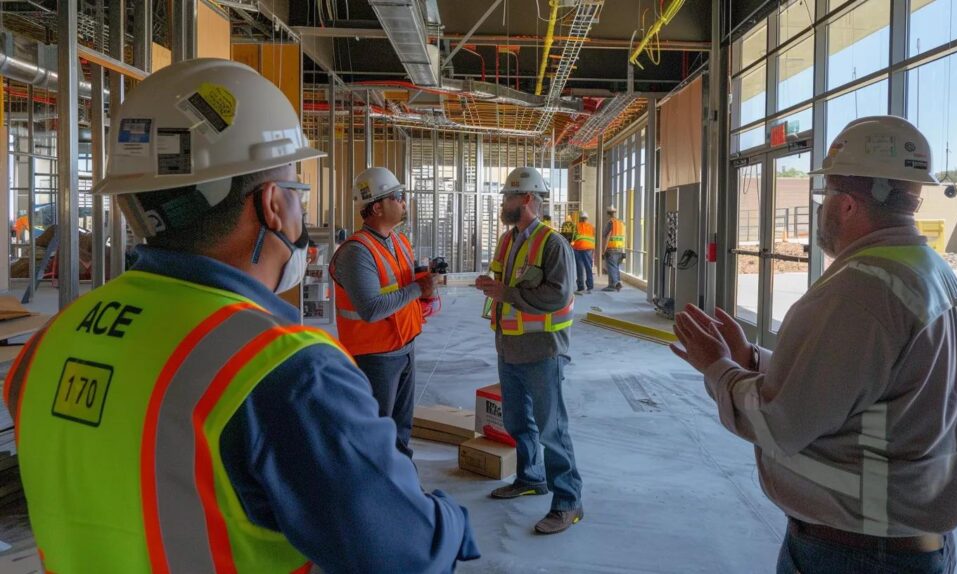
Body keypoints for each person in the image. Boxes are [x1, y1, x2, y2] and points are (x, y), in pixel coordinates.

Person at [3, 58, 478, 573]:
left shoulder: (49, 342)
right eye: (298, 191)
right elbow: (409, 555)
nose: (300, 210)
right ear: (273, 205)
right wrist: (450, 519)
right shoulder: (285, 369)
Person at [670, 116, 957, 574]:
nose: (820, 209)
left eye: (824, 195)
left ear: (847, 205)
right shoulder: (932, 273)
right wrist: (752, 359)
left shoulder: (860, 292)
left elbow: (780, 424)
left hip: (856, 552)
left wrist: (719, 368)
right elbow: (857, 387)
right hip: (907, 543)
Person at [474, 166, 584, 535]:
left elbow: (557, 295)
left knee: (552, 430)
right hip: (509, 347)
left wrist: (508, 294)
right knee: (518, 422)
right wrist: (491, 286)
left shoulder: (553, 244)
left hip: (542, 351)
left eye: (507, 197)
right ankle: (530, 477)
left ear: (526, 199)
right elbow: (506, 282)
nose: (502, 203)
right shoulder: (509, 240)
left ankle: (568, 501)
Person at [329, 166, 435, 458]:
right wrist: (419, 289)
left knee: (401, 431)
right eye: (398, 196)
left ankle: (401, 486)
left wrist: (425, 286)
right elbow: (372, 309)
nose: (403, 202)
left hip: (405, 347)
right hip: (374, 358)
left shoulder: (398, 241)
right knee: (376, 435)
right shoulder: (357, 252)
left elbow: (404, 287)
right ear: (376, 207)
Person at [601, 206, 626, 291]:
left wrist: (603, 251)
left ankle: (614, 284)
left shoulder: (610, 223)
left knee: (611, 267)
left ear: (608, 214)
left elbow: (606, 237)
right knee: (616, 267)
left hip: (611, 249)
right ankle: (616, 283)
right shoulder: (622, 223)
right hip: (620, 249)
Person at [572, 212, 595, 294]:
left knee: (579, 268)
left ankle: (581, 287)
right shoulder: (591, 227)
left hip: (578, 248)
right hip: (589, 249)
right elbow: (594, 237)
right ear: (586, 218)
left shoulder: (576, 226)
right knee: (588, 268)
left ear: (580, 218)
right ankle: (590, 287)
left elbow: (573, 238)